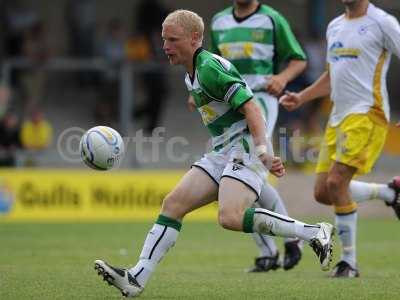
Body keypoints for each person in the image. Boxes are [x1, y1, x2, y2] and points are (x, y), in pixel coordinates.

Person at [94, 10, 334, 298]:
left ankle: (313, 233)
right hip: (223, 150)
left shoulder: (209, 68)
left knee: (230, 217)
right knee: (173, 204)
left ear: (195, 38)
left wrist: (263, 152)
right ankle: (136, 277)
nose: (165, 46)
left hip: (244, 148)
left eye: (172, 39)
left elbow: (252, 108)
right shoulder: (192, 73)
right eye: (163, 39)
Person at [280, 0, 400, 278]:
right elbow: (332, 75)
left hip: (367, 114)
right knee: (323, 192)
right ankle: (388, 192)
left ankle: (349, 263)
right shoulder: (335, 25)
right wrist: (302, 97)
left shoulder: (382, 22)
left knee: (336, 182)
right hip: (337, 117)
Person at [201, 0, 308, 272]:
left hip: (258, 99)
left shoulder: (271, 19)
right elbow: (210, 65)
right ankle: (275, 247)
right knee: (243, 172)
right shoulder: (218, 21)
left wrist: (282, 79)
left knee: (250, 167)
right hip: (228, 104)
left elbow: (299, 60)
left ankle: (285, 241)